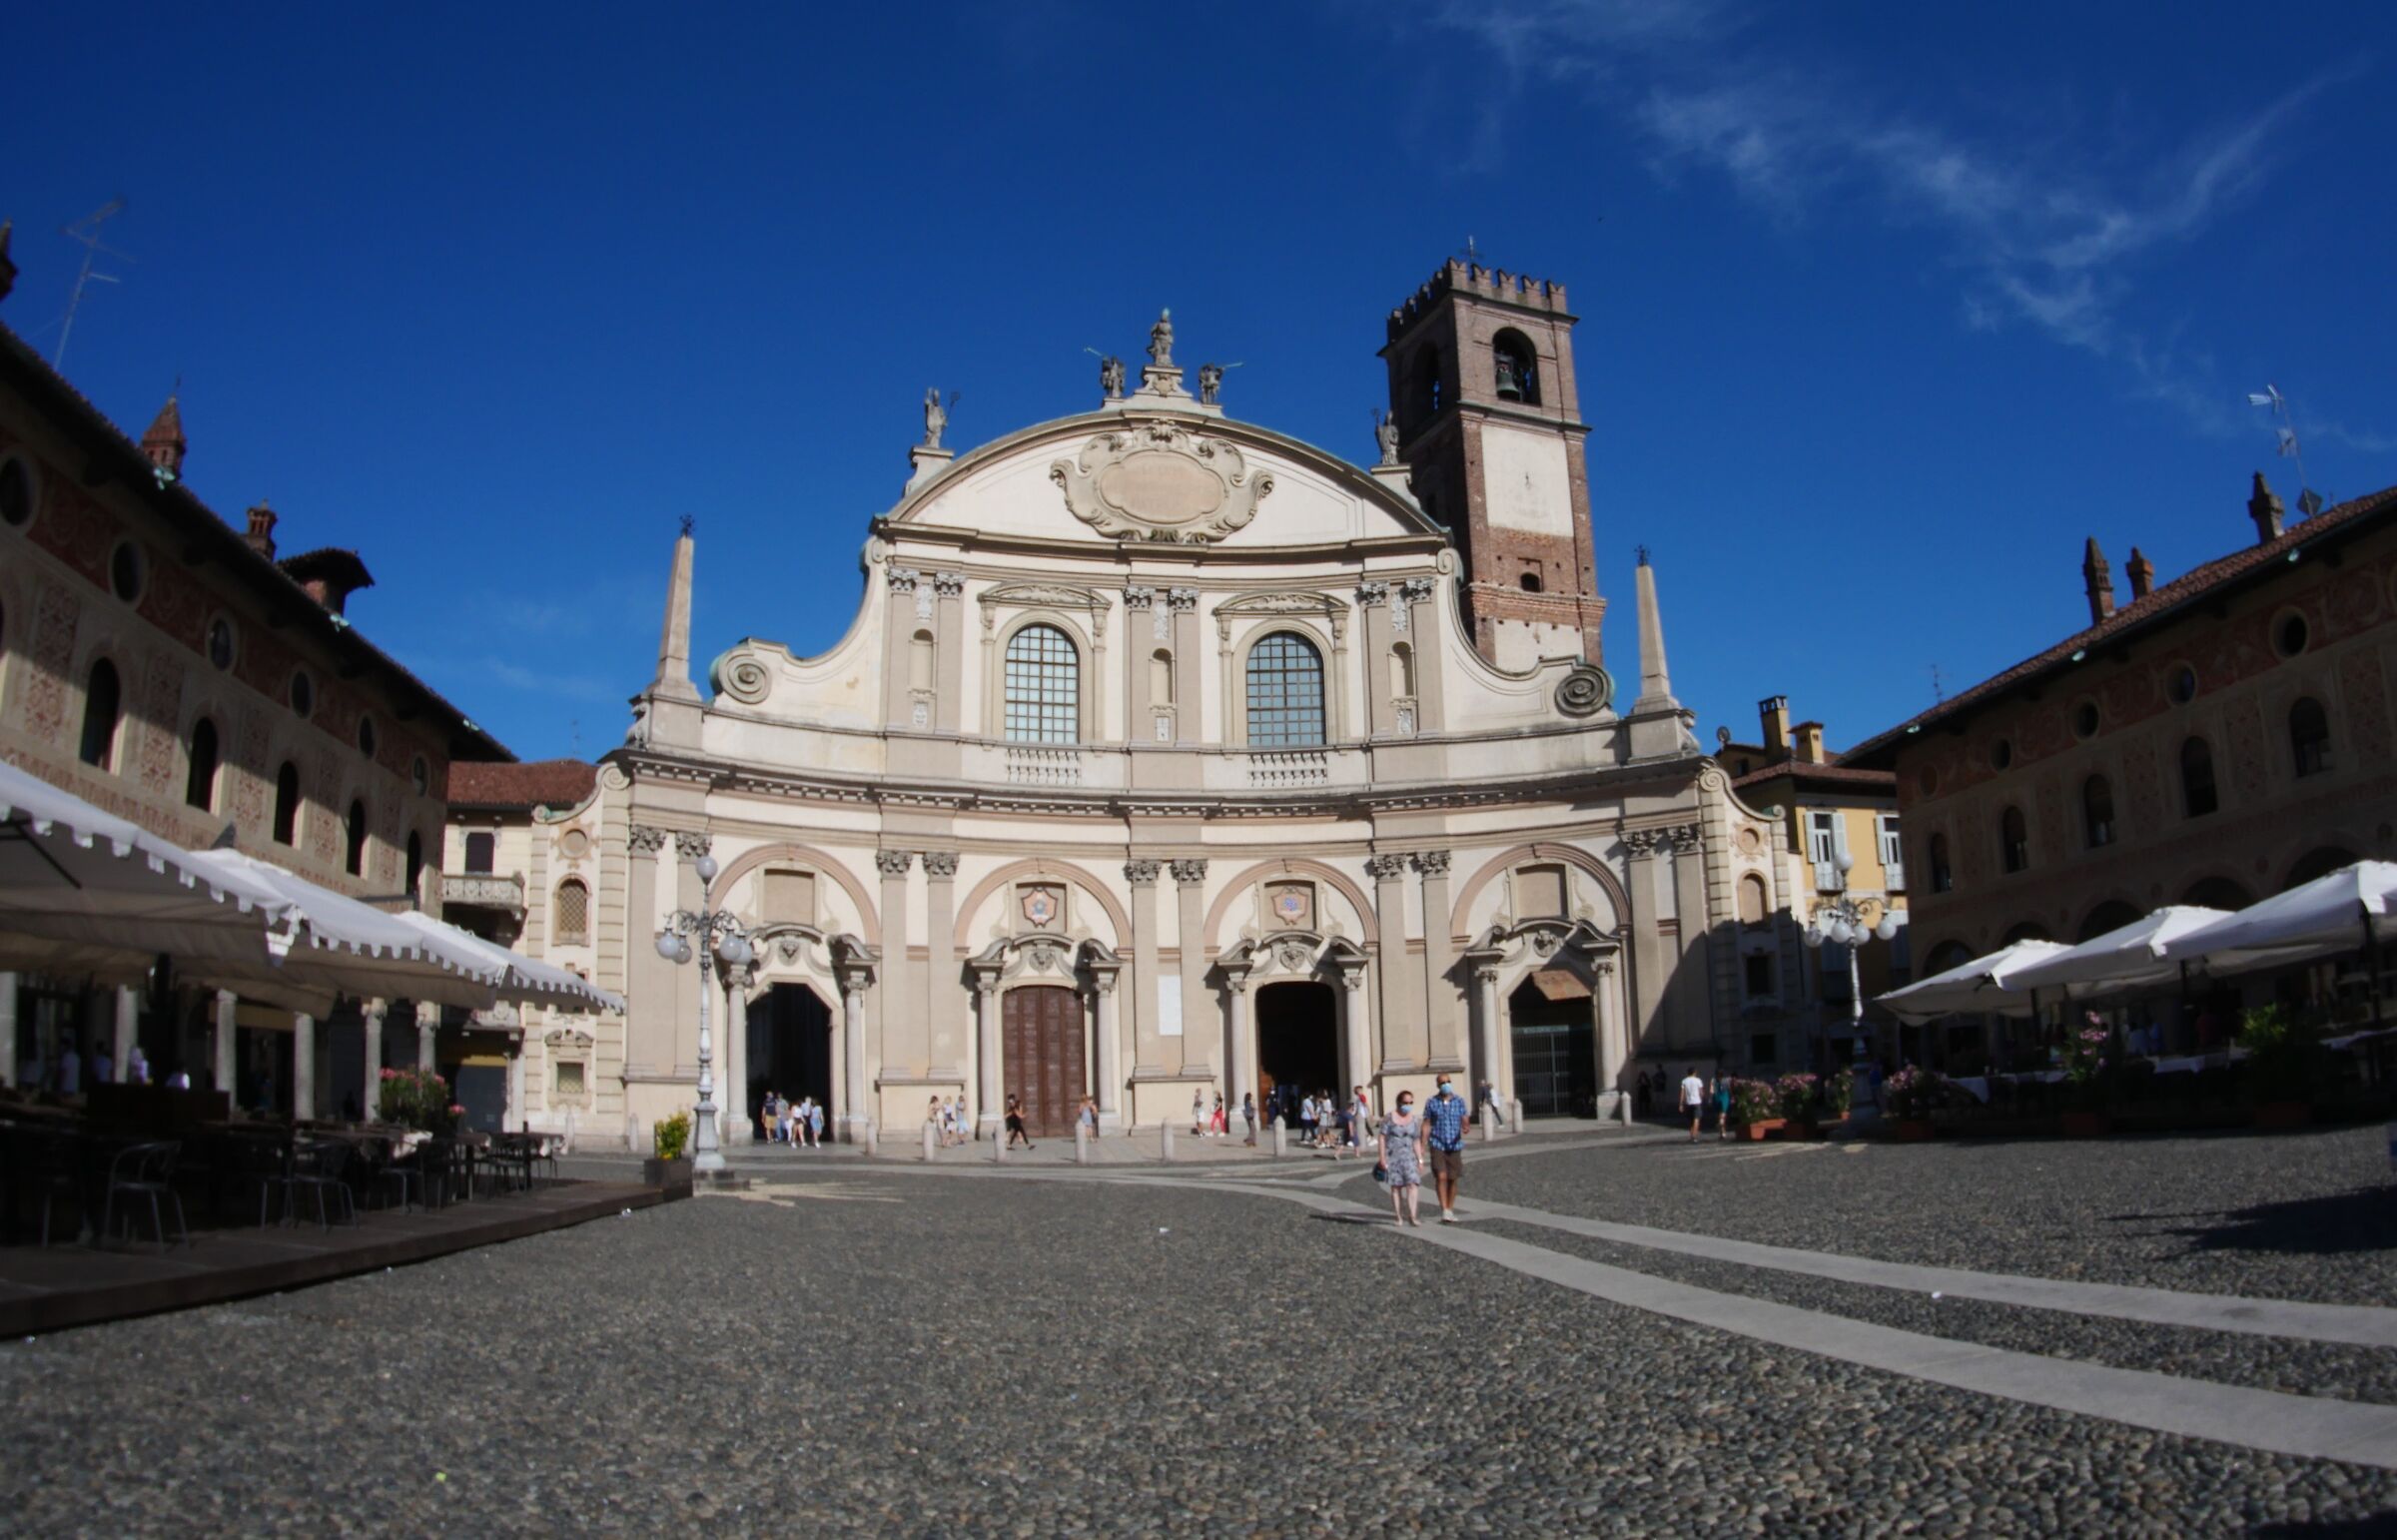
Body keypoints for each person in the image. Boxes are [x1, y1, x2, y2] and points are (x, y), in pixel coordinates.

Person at [1422, 1075, 1470, 1222]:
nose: (1446, 1084)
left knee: (1452, 1178)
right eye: (1442, 1082)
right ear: (1438, 1085)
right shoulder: (1432, 1102)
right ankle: (1444, 1209)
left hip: (1454, 1144)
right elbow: (1427, 1123)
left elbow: (1464, 1117)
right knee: (1441, 1176)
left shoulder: (1459, 1101)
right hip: (1437, 1143)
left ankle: (1450, 1208)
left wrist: (1465, 1125)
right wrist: (1422, 1143)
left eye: (1448, 1081)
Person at [1378, 1090, 1425, 1226]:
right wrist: (1382, 1157)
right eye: (1405, 1102)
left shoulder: (1415, 1120)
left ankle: (1412, 1216)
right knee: (1396, 1187)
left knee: (1413, 1185)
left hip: (1410, 1158)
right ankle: (1398, 1216)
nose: (1408, 1105)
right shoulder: (1388, 1118)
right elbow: (1382, 1138)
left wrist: (1420, 1160)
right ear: (1399, 1102)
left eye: (1411, 1103)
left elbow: (1416, 1140)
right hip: (1393, 1157)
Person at [1679, 1066, 1705, 1141]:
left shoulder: (1684, 1081)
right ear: (1694, 1072)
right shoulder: (1698, 1080)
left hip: (1688, 1102)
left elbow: (1682, 1093)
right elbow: (1701, 1092)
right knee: (1696, 1119)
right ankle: (1694, 1136)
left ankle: (1691, 1135)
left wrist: (1681, 1104)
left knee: (1690, 1120)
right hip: (1697, 1102)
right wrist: (1702, 1098)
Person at [1710, 1076, 1732, 1142]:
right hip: (1724, 1099)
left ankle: (1722, 1132)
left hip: (1716, 1098)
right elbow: (1729, 1089)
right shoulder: (1726, 1080)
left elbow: (1711, 1091)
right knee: (1723, 1116)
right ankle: (1722, 1131)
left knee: (1720, 1116)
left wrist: (1710, 1098)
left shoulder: (1713, 1080)